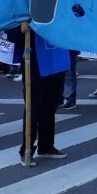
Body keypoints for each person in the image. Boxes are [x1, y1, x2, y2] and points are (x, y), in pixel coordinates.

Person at [17, 23, 70, 163]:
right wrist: (19, 30)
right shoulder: (26, 3)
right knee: (33, 107)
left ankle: (46, 146)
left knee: (50, 106)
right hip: (35, 60)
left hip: (57, 58)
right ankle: (26, 149)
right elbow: (10, 24)